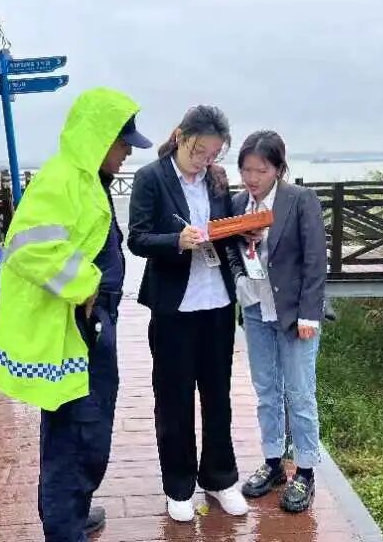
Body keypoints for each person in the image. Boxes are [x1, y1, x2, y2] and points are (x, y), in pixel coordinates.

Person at [0, 87, 153, 541]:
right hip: (75, 328)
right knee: (77, 436)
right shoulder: (63, 178)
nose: (127, 153)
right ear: (99, 138)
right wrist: (86, 285)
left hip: (91, 325)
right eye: (122, 143)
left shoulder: (86, 178)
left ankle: (71, 514)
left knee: (80, 431)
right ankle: (65, 529)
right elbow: (27, 247)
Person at [127, 105, 249, 522]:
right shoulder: (151, 178)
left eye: (213, 154)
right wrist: (176, 241)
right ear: (180, 136)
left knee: (218, 397)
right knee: (174, 399)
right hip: (174, 307)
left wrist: (243, 231)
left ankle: (220, 478)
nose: (205, 161)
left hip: (218, 304)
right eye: (199, 152)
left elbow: (225, 229)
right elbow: (138, 239)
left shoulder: (216, 179)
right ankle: (178, 486)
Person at [232, 130, 326, 513]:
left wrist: (309, 314)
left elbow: (315, 261)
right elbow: (231, 251)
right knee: (266, 390)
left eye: (262, 170)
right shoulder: (238, 203)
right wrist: (240, 278)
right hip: (256, 310)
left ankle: (305, 470)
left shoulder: (300, 200)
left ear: (278, 169)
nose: (252, 178)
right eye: (246, 170)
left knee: (300, 393)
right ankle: (273, 463)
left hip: (293, 314)